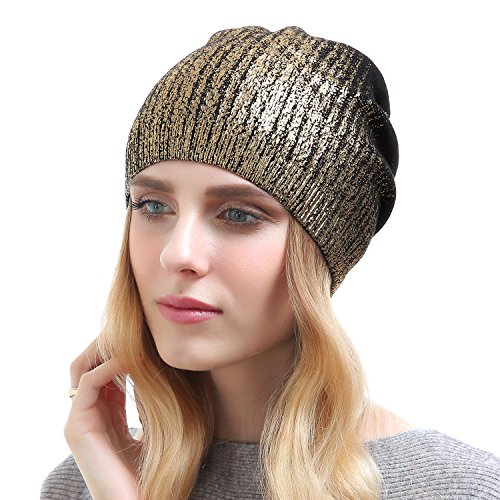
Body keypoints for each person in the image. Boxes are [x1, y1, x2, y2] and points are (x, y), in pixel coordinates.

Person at [41, 25, 500, 499]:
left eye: (239, 214)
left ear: (323, 250)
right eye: (154, 206)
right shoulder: (87, 477)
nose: (177, 253)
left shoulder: (461, 489)